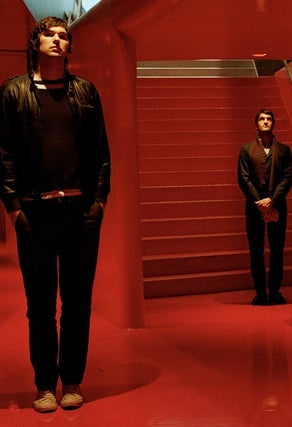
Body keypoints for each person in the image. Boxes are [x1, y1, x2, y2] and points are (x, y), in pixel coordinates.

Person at [0, 17, 110, 412]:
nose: (57, 40)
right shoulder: (13, 92)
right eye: (49, 34)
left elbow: (101, 153)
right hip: (35, 214)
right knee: (41, 308)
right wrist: (14, 209)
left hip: (80, 214)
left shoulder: (85, 92)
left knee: (78, 304)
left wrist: (99, 204)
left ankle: (73, 381)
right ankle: (45, 385)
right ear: (35, 42)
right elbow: (4, 155)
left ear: (68, 49)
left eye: (63, 36)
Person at [238, 109, 292, 306]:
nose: (266, 122)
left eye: (269, 119)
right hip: (254, 207)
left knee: (277, 250)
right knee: (256, 250)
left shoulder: (284, 150)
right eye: (262, 119)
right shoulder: (246, 150)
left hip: (277, 206)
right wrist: (259, 201)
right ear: (256, 124)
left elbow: (287, 178)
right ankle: (261, 293)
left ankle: (275, 292)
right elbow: (244, 178)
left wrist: (273, 200)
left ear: (273, 123)